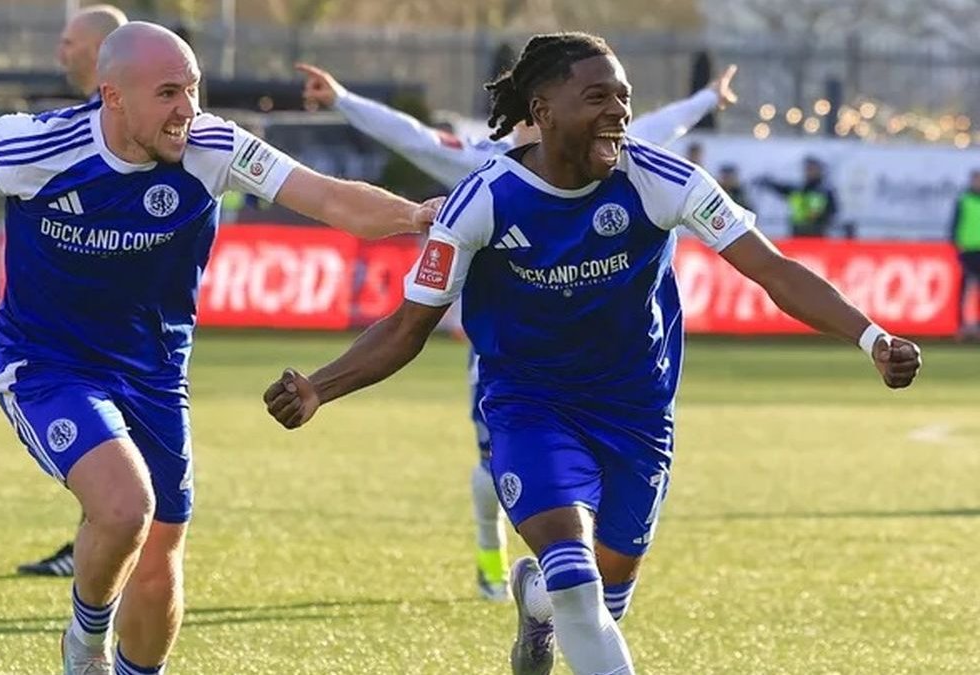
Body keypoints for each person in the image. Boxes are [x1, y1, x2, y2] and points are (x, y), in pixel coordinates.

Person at [264, 32, 921, 675]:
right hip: (532, 407)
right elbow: (409, 326)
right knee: (578, 587)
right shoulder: (482, 201)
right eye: (598, 97)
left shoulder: (660, 179)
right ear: (544, 112)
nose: (619, 112)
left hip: (636, 413)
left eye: (624, 97)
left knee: (604, 598)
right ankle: (553, 590)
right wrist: (321, 386)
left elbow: (773, 270)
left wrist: (871, 337)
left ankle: (535, 599)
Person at [0, 22, 438, 675]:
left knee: (160, 560)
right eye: (167, 93)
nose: (186, 109)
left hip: (156, 376)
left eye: (192, 89)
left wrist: (417, 216)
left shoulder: (213, 146)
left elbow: (329, 197)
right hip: (47, 366)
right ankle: (84, 647)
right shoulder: (30, 146)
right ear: (112, 96)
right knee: (126, 506)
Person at [295, 59, 739, 602]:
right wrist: (342, 99)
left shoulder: (611, 150)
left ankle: (557, 593)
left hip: (608, 366)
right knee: (494, 466)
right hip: (512, 355)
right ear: (535, 111)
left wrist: (709, 99)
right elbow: (410, 136)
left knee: (603, 518)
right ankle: (493, 556)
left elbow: (663, 125)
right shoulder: (481, 163)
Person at [17, 2, 129, 579]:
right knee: (114, 462)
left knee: (126, 468)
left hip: (131, 331)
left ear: (101, 49)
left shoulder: (135, 128)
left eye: (68, 42)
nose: (59, 52)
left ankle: (100, 553)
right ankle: (93, 545)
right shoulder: (71, 127)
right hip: (82, 330)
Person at [757, 155, 838, 238]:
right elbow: (781, 188)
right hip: (797, 233)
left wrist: (822, 222)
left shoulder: (825, 191)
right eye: (808, 169)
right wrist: (766, 182)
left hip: (818, 234)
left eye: (812, 169)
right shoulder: (798, 190)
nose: (809, 172)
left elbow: (833, 211)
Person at [949, 169, 980, 339]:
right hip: (968, 250)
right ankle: (963, 325)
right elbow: (955, 223)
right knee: (966, 289)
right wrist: (956, 241)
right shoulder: (964, 200)